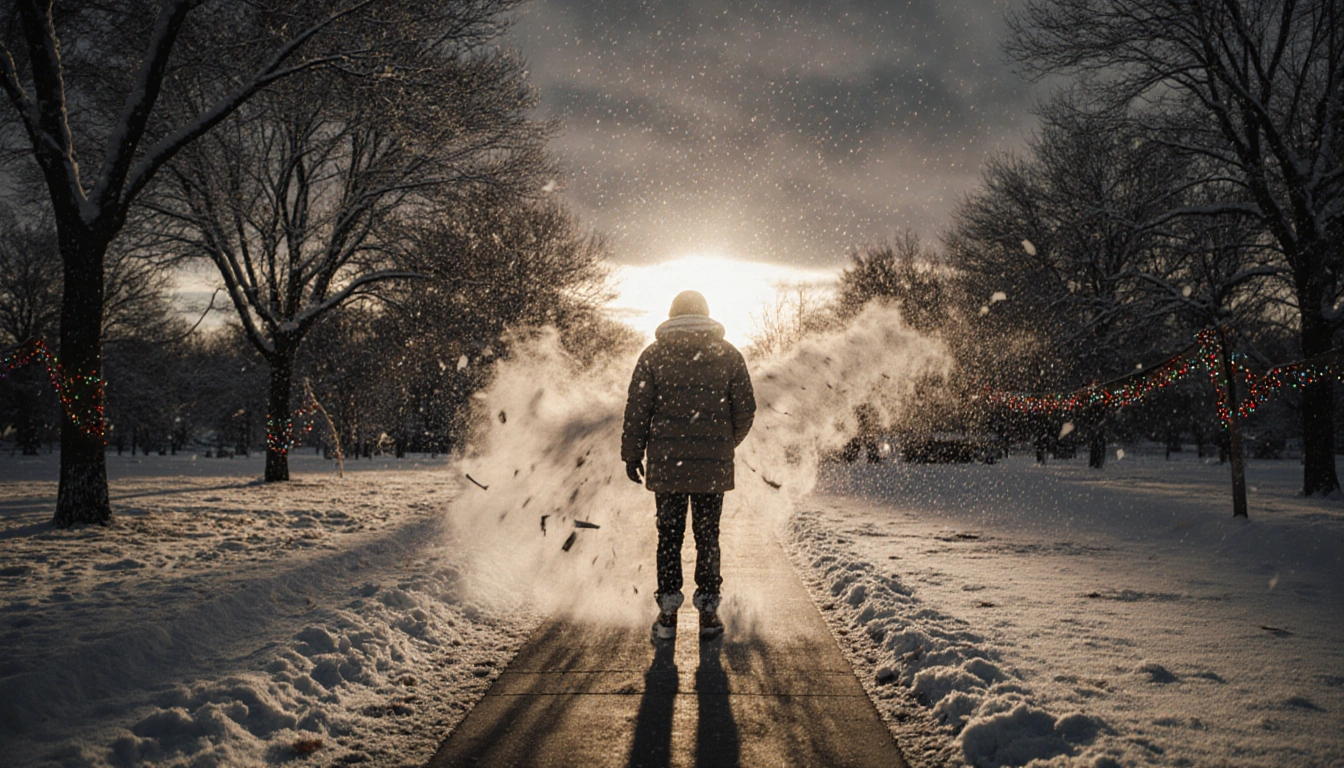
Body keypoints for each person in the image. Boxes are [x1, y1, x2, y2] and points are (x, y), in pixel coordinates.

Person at [622, 290, 755, 642]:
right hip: (712, 470)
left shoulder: (653, 356)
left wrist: (632, 455)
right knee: (707, 536)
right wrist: (723, 445)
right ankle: (709, 613)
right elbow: (745, 411)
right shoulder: (728, 355)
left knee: (669, 537)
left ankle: (667, 613)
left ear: (671, 315)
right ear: (707, 315)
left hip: (667, 468)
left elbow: (638, 410)